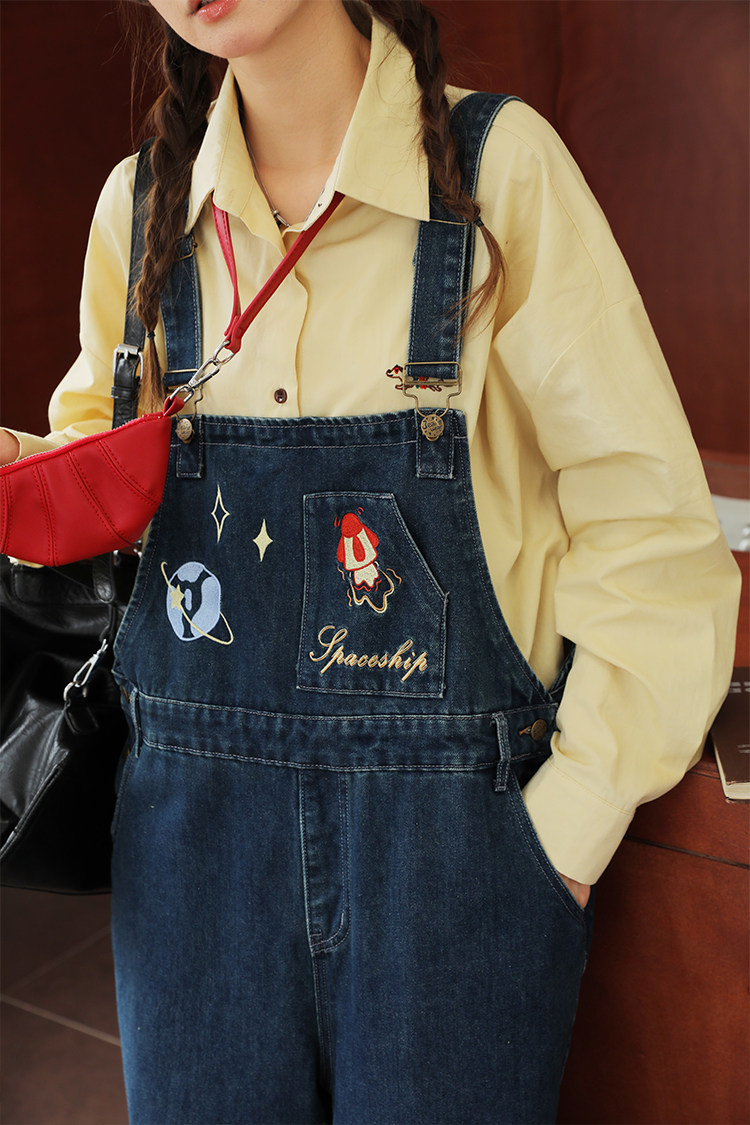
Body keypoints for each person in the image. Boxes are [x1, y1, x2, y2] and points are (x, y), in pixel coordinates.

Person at [1, 1, 740, 1122]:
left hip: (454, 868)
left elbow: (653, 532)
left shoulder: (498, 173)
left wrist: (562, 834)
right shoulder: (143, 206)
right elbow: (95, 483)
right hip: (191, 856)